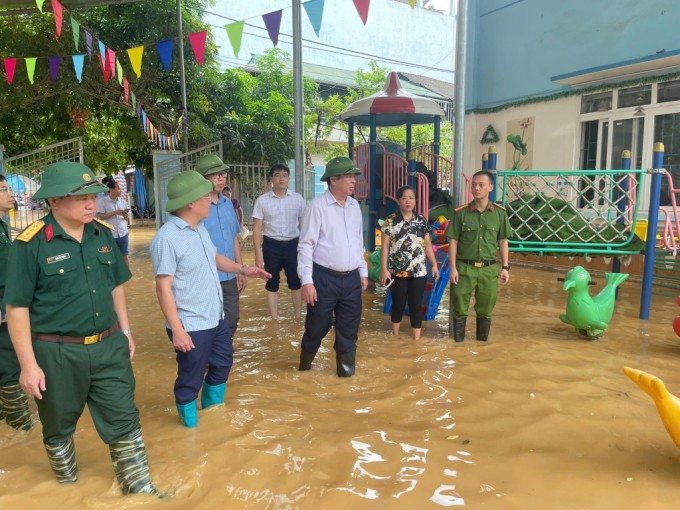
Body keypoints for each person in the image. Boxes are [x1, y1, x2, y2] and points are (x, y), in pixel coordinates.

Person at [4, 162, 159, 495]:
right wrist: (29, 366)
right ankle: (68, 491)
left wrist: (127, 332)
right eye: (81, 197)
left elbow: (117, 286)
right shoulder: (31, 244)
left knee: (125, 419)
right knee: (58, 427)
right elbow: (17, 308)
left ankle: (141, 491)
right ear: (54, 201)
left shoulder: (102, 234)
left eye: (94, 195)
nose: (91, 203)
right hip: (56, 354)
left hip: (108, 346)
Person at [150, 171, 269, 428]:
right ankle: (189, 429)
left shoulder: (199, 229)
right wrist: (178, 331)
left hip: (215, 317)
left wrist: (242, 269)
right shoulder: (167, 238)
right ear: (191, 202)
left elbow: (214, 258)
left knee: (223, 362)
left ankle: (213, 416)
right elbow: (163, 288)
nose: (211, 200)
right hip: (191, 324)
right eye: (206, 196)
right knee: (191, 376)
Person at [297, 157, 368, 377]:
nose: (353, 180)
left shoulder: (355, 206)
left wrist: (363, 271)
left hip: (351, 280)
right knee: (317, 328)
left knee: (349, 331)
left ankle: (346, 379)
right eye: (348, 176)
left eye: (354, 176)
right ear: (333, 180)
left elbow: (358, 241)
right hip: (323, 279)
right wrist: (307, 282)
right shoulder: (316, 207)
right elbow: (306, 246)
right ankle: (304, 369)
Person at [446, 170, 511, 342]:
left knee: (486, 309)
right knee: (460, 308)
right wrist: (452, 268)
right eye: (473, 184)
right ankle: (458, 348)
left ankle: (481, 347)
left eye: (481, 184)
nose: (476, 188)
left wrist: (505, 267)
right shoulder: (461, 213)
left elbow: (503, 241)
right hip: (464, 268)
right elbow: (453, 241)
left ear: (490, 187)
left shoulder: (499, 214)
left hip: (489, 270)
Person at [379, 185, 440, 340]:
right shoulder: (390, 221)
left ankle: (416, 340)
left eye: (411, 198)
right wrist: (384, 269)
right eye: (404, 198)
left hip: (418, 272)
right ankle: (396, 336)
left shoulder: (421, 221)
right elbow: (385, 247)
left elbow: (427, 244)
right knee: (398, 304)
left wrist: (434, 264)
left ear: (415, 201)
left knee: (416, 306)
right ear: (398, 201)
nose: (408, 201)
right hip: (396, 271)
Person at [195, 154, 246, 336]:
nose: (221, 178)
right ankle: (208, 362)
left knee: (231, 321)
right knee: (207, 323)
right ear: (202, 178)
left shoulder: (227, 204)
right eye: (215, 174)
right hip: (205, 277)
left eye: (223, 173)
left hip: (229, 276)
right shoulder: (195, 207)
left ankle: (221, 360)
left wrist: (240, 270)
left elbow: (234, 238)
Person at [252, 163, 306, 320]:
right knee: (271, 282)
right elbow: (257, 228)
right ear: (271, 179)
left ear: (288, 178)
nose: (281, 178)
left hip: (293, 244)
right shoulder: (262, 201)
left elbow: (304, 226)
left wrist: (305, 250)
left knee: (296, 282)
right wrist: (258, 254)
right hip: (271, 245)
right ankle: (274, 319)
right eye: (277, 175)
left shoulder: (297, 199)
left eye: (284, 175)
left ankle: (297, 317)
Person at [0, 175, 33, 431]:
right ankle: (22, 426)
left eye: (10, 188)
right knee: (10, 365)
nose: (11, 193)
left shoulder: (2, 225)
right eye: (4, 189)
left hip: (6, 305)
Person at [97, 176, 130, 266]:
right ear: (111, 189)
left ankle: (128, 276)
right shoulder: (102, 201)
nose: (120, 190)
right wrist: (116, 212)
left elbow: (126, 218)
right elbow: (101, 217)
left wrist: (126, 216)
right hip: (110, 234)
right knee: (110, 256)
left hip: (123, 233)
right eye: (118, 189)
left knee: (125, 256)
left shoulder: (123, 202)